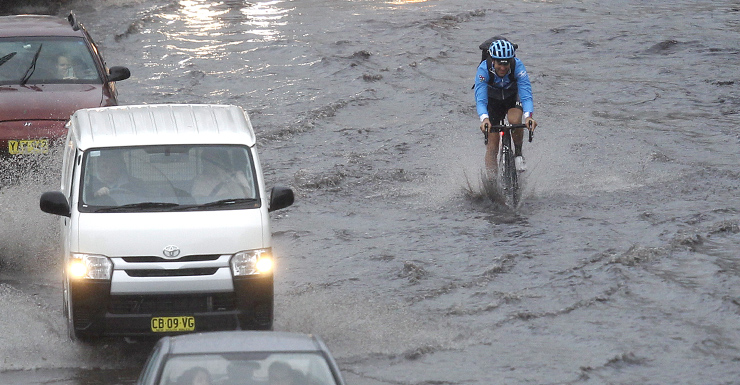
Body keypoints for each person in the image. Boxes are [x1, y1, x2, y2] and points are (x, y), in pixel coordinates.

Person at [474, 38, 538, 174]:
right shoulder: (483, 69)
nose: (502, 68)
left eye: (506, 63)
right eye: (499, 64)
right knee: (493, 145)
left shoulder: (518, 66)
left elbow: (526, 94)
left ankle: (519, 154)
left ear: (511, 61)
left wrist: (528, 117)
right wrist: (484, 119)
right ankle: (491, 181)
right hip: (493, 101)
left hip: (512, 98)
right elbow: (480, 100)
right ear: (492, 60)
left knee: (515, 121)